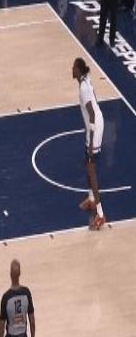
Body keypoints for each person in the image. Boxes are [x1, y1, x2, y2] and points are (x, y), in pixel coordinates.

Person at [73, 58, 106, 230]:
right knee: (87, 164)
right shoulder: (85, 81)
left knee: (91, 168)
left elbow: (92, 114)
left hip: (95, 128)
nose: (72, 70)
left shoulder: (84, 88)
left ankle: (100, 215)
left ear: (79, 70)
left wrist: (92, 142)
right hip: (93, 126)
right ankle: (91, 199)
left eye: (74, 67)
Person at [0, 259, 36, 337]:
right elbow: (32, 322)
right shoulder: (26, 293)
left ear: (10, 274)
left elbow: (1, 327)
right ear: (20, 274)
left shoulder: (6, 297)